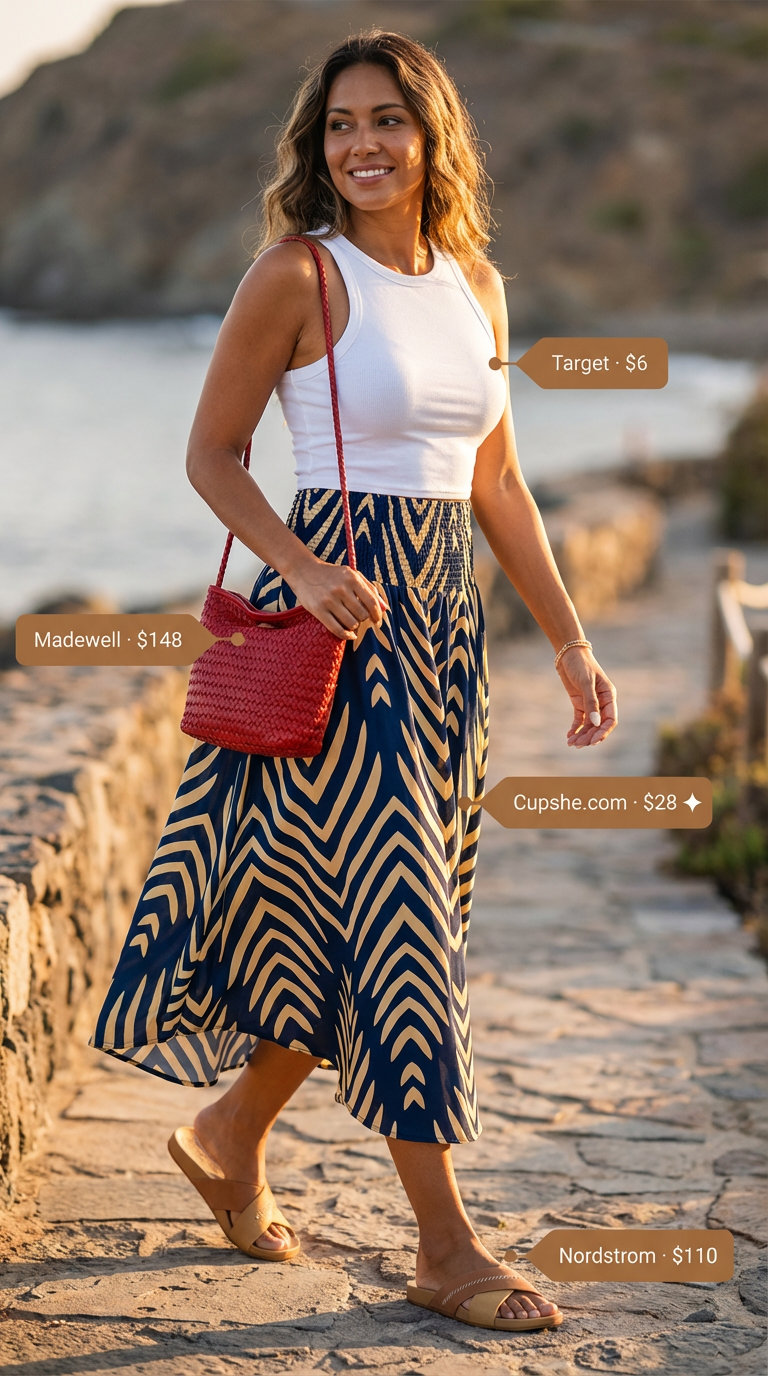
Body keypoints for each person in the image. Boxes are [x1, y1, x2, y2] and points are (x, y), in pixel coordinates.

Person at [91, 30, 617, 1335]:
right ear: (315, 145)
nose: (362, 144)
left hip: (443, 632)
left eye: (387, 120)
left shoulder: (477, 285)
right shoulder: (299, 274)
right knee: (399, 922)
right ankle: (444, 1245)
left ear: (433, 136)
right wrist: (303, 567)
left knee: (373, 917)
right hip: (333, 622)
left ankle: (228, 1134)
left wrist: (566, 638)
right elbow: (214, 454)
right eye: (339, 124)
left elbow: (499, 481)